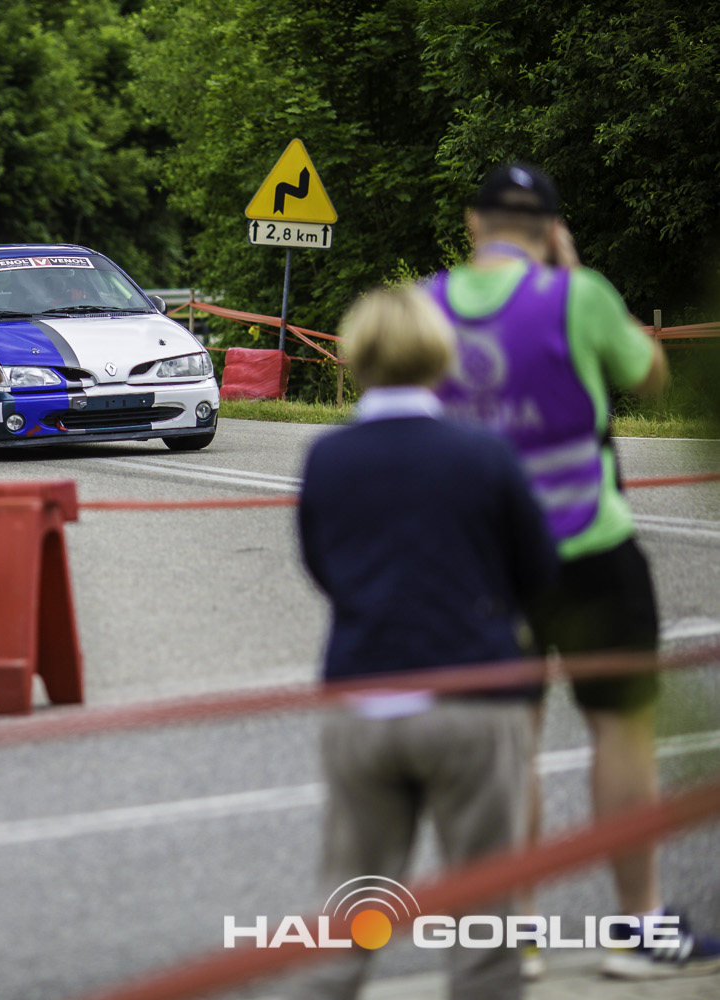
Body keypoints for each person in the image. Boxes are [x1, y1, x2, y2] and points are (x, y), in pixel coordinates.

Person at [428, 163, 720, 980]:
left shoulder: (425, 305)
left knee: (508, 747)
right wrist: (577, 273)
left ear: (473, 223)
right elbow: (649, 375)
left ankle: (514, 938)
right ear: (551, 229)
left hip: (487, 567)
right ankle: (637, 929)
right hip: (592, 550)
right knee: (621, 733)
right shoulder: (576, 296)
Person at [293, 287, 559, 1000]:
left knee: (347, 903)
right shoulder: (484, 453)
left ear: (356, 357)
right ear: (441, 356)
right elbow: (538, 570)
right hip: (472, 696)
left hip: (362, 695)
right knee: (484, 914)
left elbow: (321, 563)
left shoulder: (328, 457)